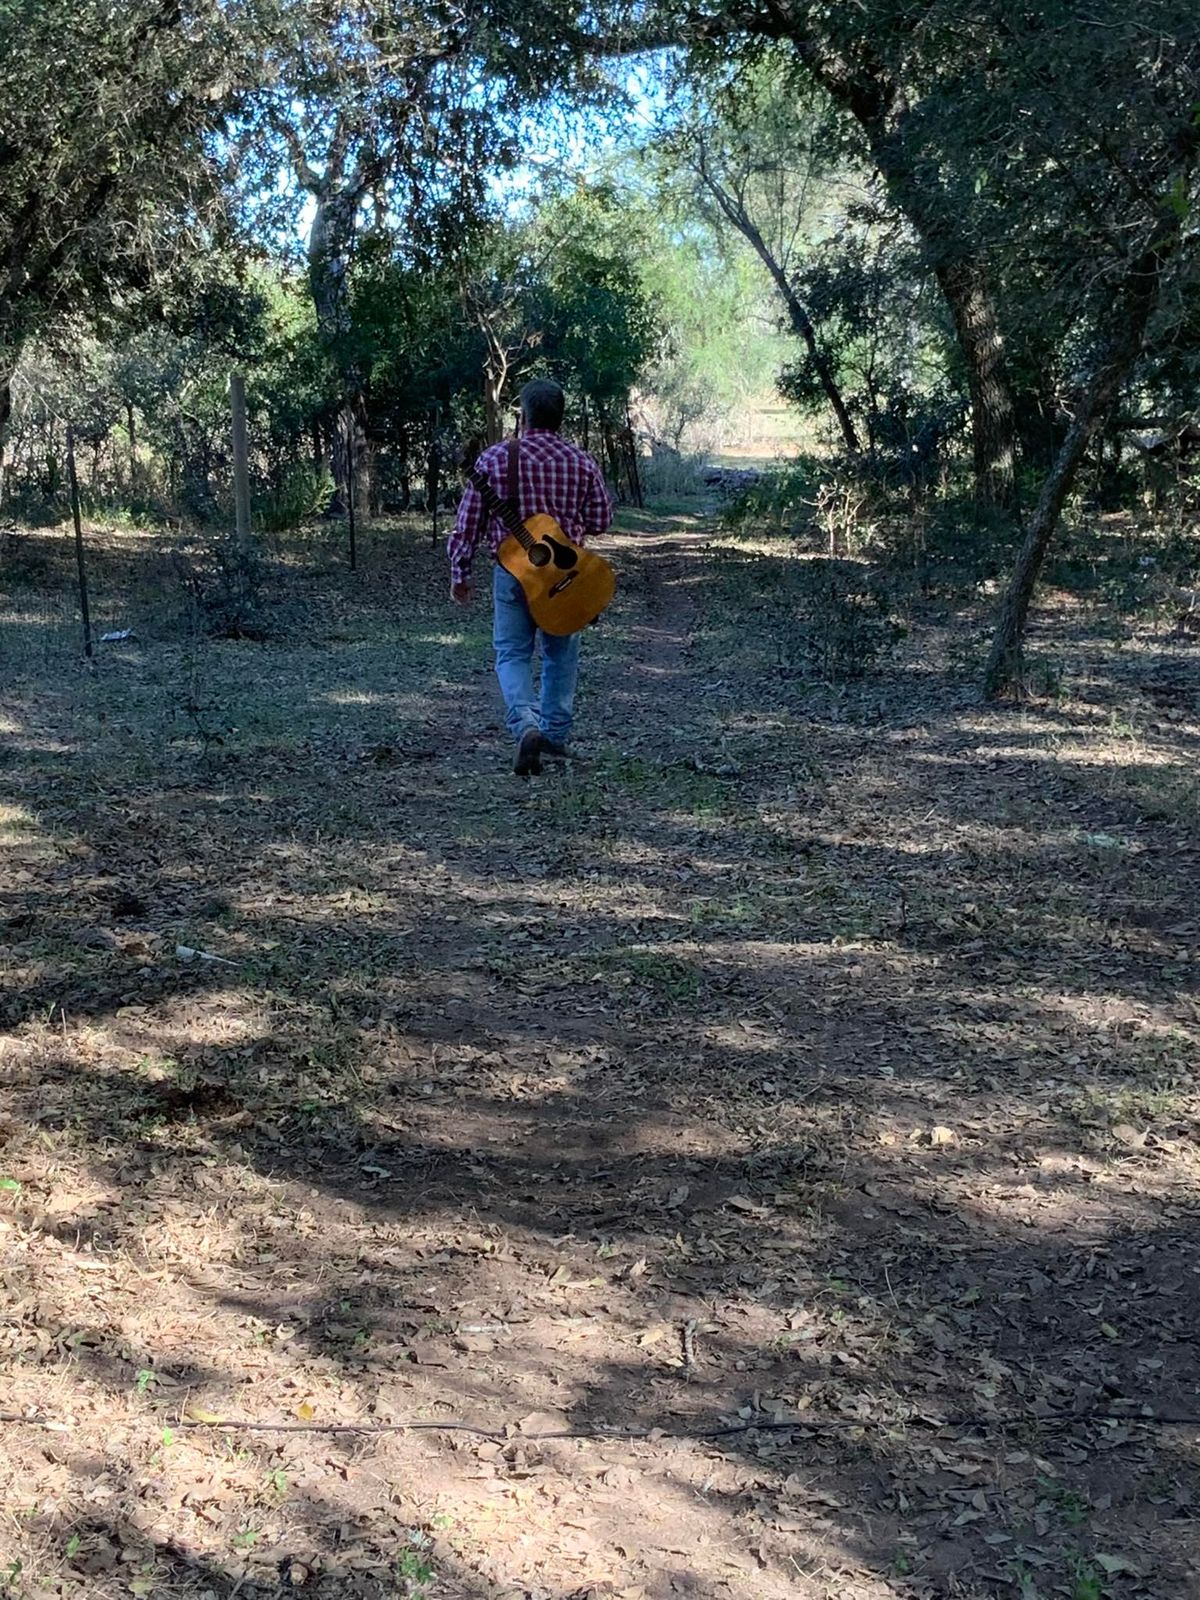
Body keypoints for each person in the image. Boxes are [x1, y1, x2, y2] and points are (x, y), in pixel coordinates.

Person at [450, 379, 614, 775]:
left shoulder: (493, 460)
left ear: (522, 417)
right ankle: (554, 736)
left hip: (512, 576)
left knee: (512, 652)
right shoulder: (581, 462)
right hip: (567, 577)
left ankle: (526, 724)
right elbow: (601, 520)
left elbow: (467, 524)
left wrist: (460, 572)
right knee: (561, 655)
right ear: (560, 419)